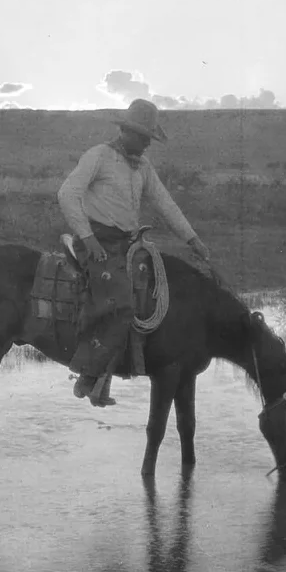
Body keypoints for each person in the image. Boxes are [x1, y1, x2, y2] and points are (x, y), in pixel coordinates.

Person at [56, 98, 211, 407]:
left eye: (148, 139)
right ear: (126, 131)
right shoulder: (99, 156)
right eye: (141, 138)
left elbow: (165, 203)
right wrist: (88, 238)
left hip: (127, 244)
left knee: (153, 293)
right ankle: (88, 373)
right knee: (122, 304)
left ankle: (115, 373)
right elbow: (67, 194)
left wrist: (192, 238)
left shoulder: (143, 166)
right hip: (97, 243)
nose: (145, 145)